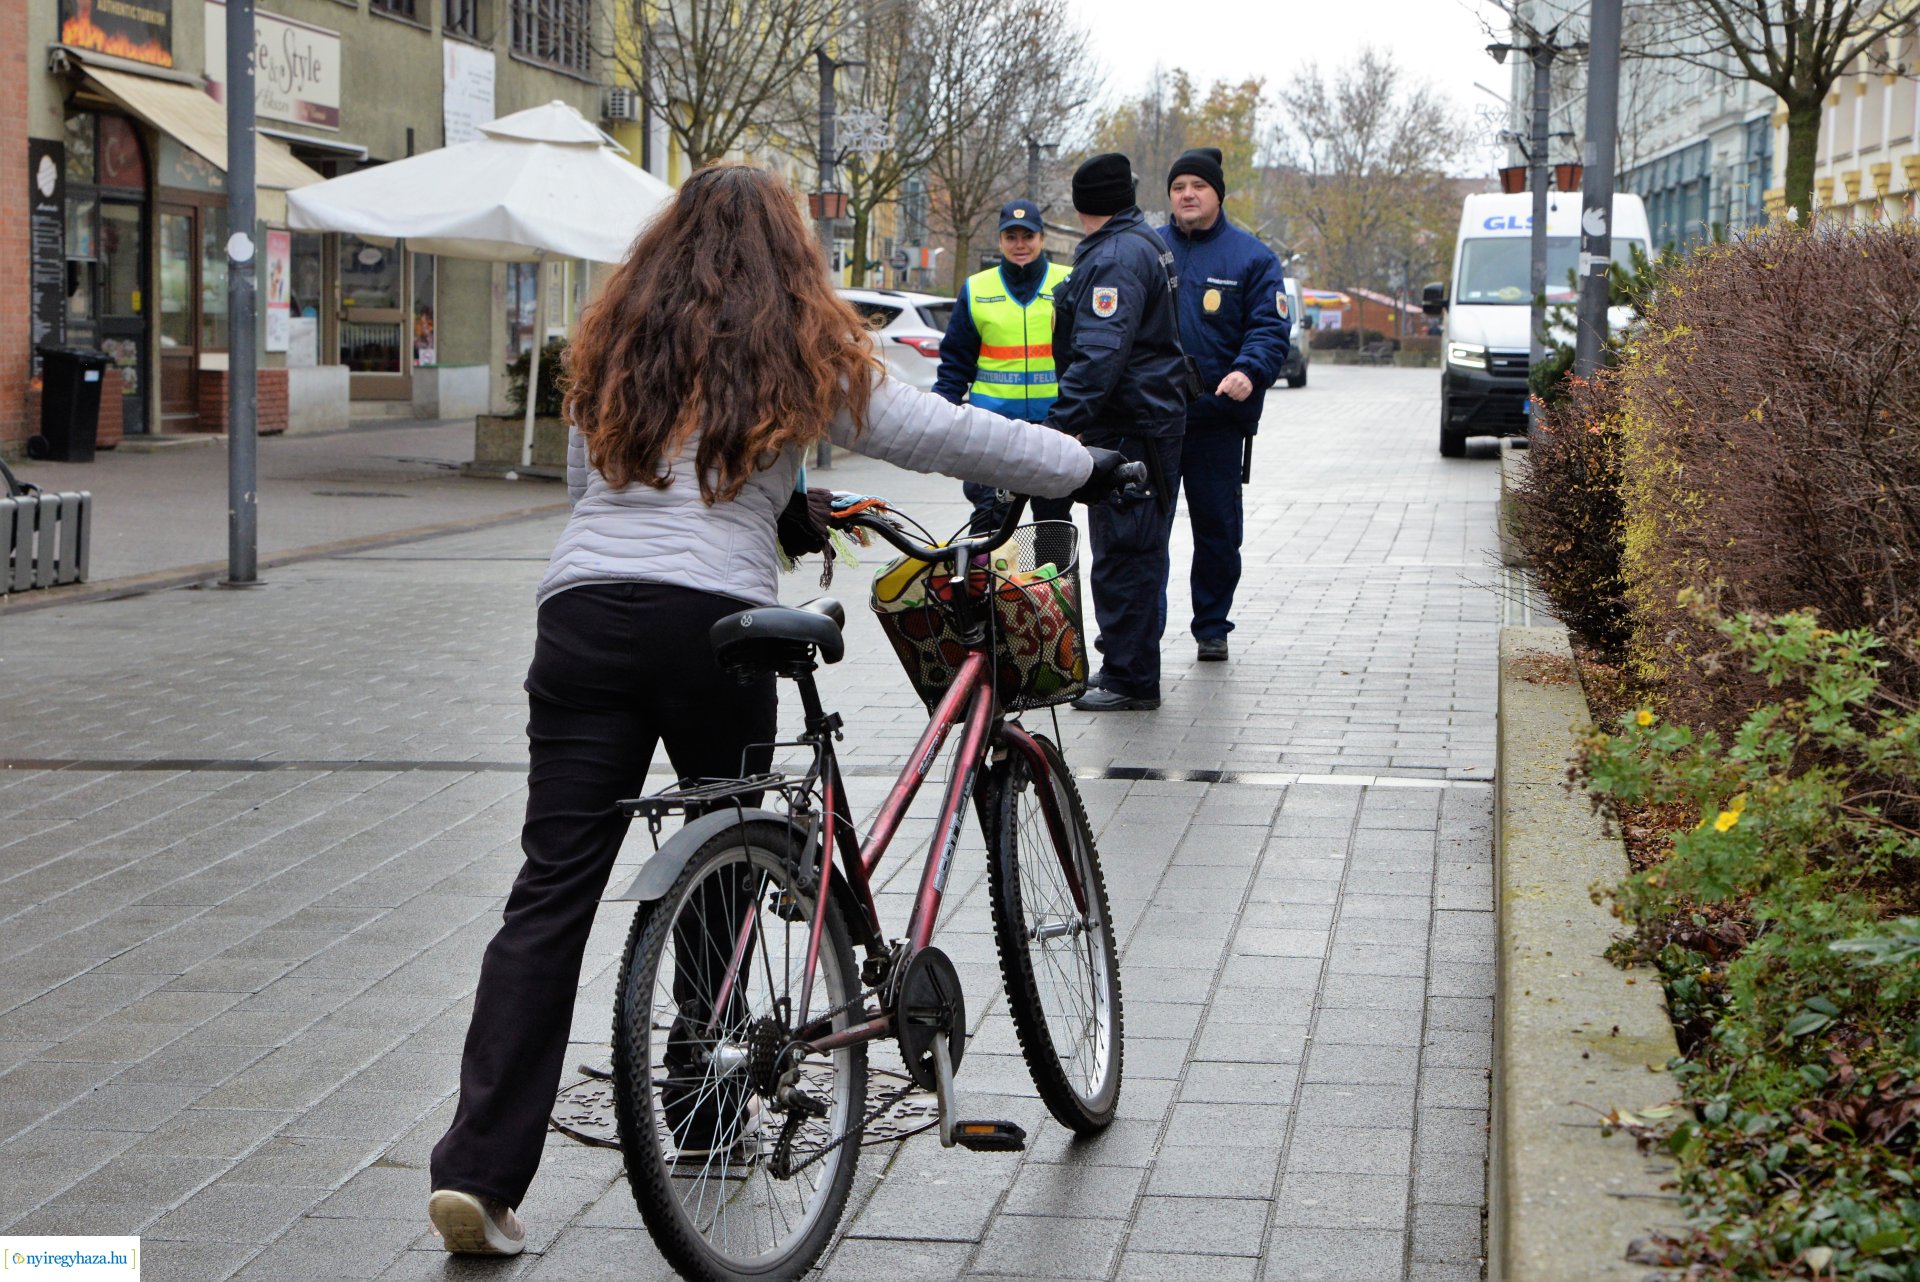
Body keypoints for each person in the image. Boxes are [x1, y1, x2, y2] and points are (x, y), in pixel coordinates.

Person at [423, 163, 1132, 1256]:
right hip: (713, 627)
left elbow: (599, 487)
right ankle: (700, 1102)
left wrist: (773, 507)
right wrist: (1082, 465)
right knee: (733, 860)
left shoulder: (611, 337)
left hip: (582, 616)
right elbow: (945, 433)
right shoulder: (799, 344)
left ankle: (478, 1173)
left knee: (548, 894)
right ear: (788, 254)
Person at [1046, 152, 1192, 713]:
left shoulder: (1114, 257)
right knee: (1136, 549)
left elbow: (1099, 356)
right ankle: (1129, 668)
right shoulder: (1141, 242)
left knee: (1125, 552)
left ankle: (1130, 677)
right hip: (1146, 420)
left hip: (1131, 427)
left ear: (1084, 204)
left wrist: (1061, 427)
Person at [1160, 148, 1290, 664]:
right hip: (1154, 423)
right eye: (1178, 186)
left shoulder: (1252, 258)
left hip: (1216, 424)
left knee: (1217, 532)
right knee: (1145, 535)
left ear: (1218, 194)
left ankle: (1212, 626)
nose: (1187, 194)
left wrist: (1249, 370)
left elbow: (1270, 328)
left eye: (1197, 185)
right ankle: (1139, 635)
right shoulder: (1149, 251)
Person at [933, 200, 1075, 533]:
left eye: (1028, 236)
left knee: (1053, 529)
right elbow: (955, 362)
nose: (1020, 244)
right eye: (1011, 237)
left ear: (1042, 238)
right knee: (987, 529)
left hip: (1053, 428)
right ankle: (985, 587)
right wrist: (940, 414)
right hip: (993, 431)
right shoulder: (977, 289)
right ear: (1000, 241)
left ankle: (1052, 586)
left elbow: (1088, 358)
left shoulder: (1068, 283)